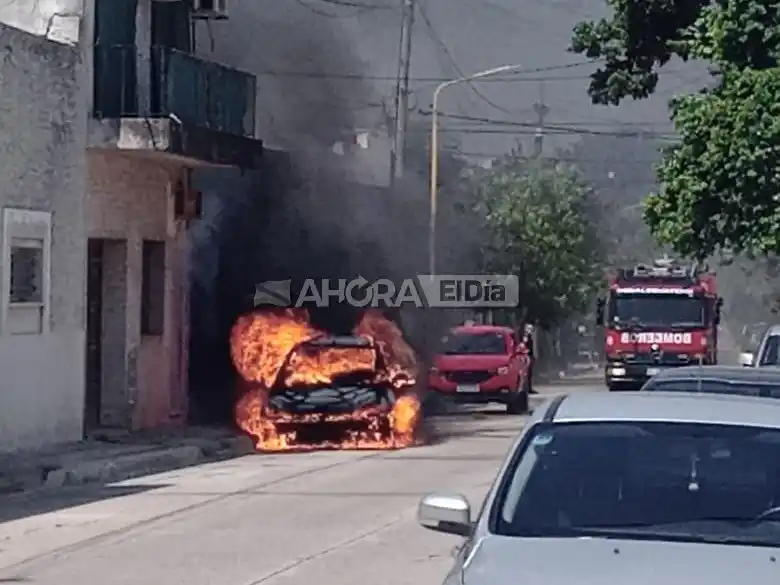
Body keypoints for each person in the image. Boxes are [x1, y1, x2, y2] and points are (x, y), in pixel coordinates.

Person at [522, 323, 537, 394]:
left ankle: (529, 388)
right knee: (527, 373)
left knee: (529, 373)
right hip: (527, 356)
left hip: (529, 355)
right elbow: (524, 345)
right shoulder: (526, 336)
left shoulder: (530, 336)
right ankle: (527, 388)